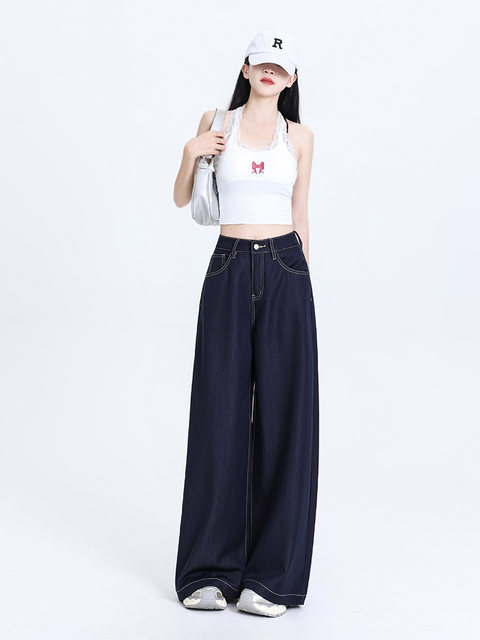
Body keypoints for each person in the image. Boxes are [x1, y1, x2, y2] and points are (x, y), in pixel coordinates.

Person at [173, 29, 319, 618]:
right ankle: (208, 570)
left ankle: (271, 580)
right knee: (219, 413)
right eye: (262, 64)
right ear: (247, 68)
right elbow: (182, 199)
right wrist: (190, 151)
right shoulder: (217, 122)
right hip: (229, 266)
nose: (270, 73)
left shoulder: (300, 137)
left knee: (286, 421)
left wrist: (304, 283)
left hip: (285, 268)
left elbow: (300, 212)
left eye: (280, 68)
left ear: (291, 79)